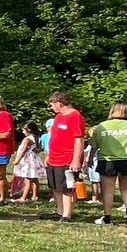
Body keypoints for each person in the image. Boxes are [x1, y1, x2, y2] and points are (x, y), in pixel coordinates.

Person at [88, 102, 127, 225]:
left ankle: (107, 217)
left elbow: (94, 146)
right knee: (126, 188)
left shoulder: (102, 126)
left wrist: (89, 160)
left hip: (107, 161)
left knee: (108, 190)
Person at [44, 90, 87, 221]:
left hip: (67, 158)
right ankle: (59, 211)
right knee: (55, 187)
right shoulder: (58, 117)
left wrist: (75, 160)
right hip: (54, 157)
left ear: (59, 103)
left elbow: (78, 139)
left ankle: (66, 214)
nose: (51, 108)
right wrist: (49, 155)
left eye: (52, 105)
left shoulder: (75, 116)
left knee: (66, 187)